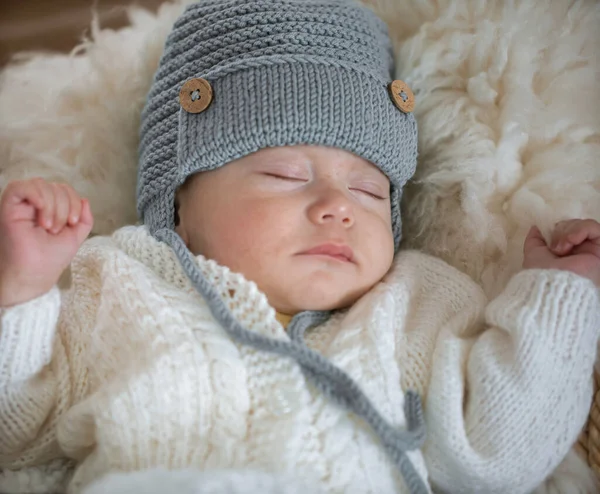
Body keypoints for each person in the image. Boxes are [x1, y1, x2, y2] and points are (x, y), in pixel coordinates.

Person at [1, 1, 599, 493]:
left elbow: (497, 458)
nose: (338, 205)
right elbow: (15, 433)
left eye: (369, 190)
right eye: (286, 174)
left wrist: (559, 298)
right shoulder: (115, 281)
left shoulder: (411, 304)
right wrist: (20, 294)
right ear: (179, 200)